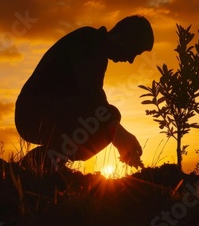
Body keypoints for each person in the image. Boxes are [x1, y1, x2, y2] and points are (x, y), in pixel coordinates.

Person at [15, 15, 154, 171]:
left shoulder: (97, 52)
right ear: (126, 38)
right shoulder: (89, 39)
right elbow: (91, 95)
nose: (130, 60)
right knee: (108, 117)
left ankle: (43, 160)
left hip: (47, 109)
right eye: (134, 52)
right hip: (33, 111)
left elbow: (92, 101)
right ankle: (43, 160)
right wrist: (117, 131)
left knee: (106, 118)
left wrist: (115, 129)